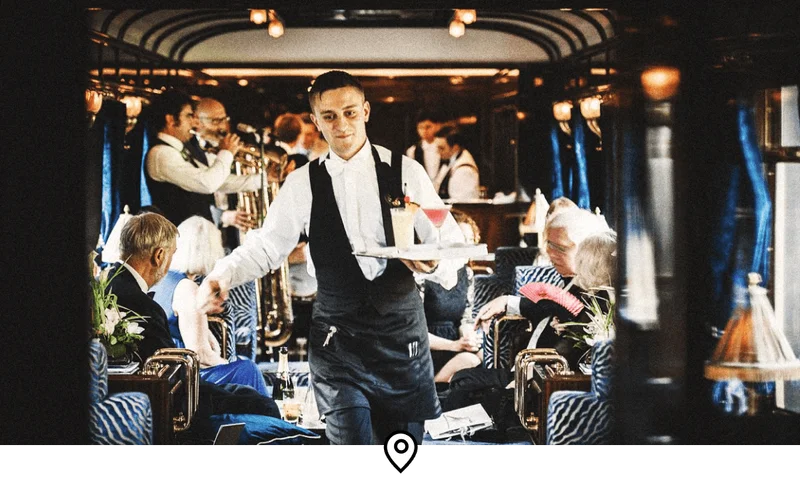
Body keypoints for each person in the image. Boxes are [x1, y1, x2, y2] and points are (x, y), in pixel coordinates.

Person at [195, 70, 467, 448]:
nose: (341, 125)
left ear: (366, 111)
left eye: (350, 113)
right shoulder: (301, 184)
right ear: (316, 121)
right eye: (330, 116)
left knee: (400, 454)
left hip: (401, 341)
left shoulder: (409, 174)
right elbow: (267, 246)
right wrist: (222, 274)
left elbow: (449, 238)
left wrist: (434, 263)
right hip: (337, 344)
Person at [106, 212, 281, 435]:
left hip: (145, 392)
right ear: (159, 256)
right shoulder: (143, 304)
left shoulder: (108, 282)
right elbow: (174, 379)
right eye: (172, 254)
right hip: (170, 401)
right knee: (262, 403)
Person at [474, 207, 612, 370]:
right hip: (526, 366)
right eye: (549, 244)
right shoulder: (569, 280)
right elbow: (548, 305)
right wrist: (508, 302)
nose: (549, 253)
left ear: (586, 248)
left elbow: (570, 341)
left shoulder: (599, 295)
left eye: (560, 248)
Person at [148, 215, 269, 396]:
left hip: (168, 370)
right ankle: (269, 413)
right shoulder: (187, 288)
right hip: (185, 376)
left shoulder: (163, 280)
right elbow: (201, 356)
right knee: (247, 369)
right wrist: (228, 363)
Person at [144, 90, 261, 228]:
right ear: (170, 119)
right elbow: (207, 183)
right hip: (182, 236)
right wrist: (226, 152)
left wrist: (264, 179)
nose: (194, 123)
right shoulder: (161, 153)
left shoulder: (180, 150)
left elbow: (220, 182)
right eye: (189, 116)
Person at [421, 209, 482, 386]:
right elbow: (414, 329)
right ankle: (432, 390)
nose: (465, 245)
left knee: (484, 354)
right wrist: (454, 345)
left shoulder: (467, 274)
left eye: (470, 240)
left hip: (456, 342)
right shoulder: (423, 275)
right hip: (429, 347)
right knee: (469, 361)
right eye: (460, 239)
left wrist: (468, 338)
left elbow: (465, 318)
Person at [192, 97, 258, 239]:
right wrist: (222, 216)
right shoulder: (192, 151)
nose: (223, 126)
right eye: (215, 121)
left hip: (235, 232)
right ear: (197, 121)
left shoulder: (228, 147)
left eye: (224, 119)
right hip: (204, 230)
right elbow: (202, 190)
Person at [432, 125, 480, 201]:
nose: (437, 152)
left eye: (441, 148)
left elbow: (461, 203)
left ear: (455, 147)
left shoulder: (464, 169)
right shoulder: (450, 160)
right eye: (437, 147)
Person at [406, 109, 444, 182]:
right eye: (420, 127)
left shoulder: (444, 147)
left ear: (438, 126)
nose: (424, 131)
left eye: (428, 127)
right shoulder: (412, 151)